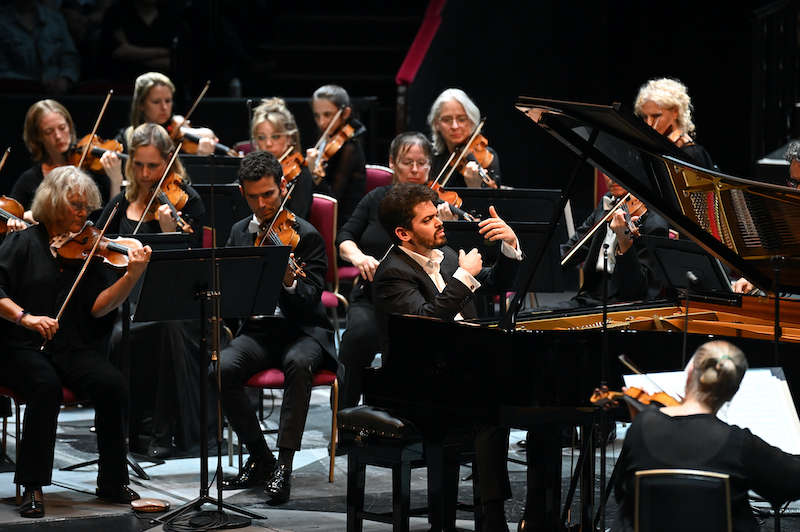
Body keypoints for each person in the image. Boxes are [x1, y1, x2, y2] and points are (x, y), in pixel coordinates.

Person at [0, 166, 151, 517]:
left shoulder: (89, 248)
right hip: (20, 347)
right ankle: (32, 485)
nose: (84, 214)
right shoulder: (22, 242)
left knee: (113, 384)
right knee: (45, 385)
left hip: (71, 347)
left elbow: (99, 308)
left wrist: (131, 276)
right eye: (75, 206)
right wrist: (27, 317)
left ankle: (112, 480)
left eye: (87, 207)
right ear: (53, 203)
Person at [372, 182, 522, 532]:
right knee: (490, 408)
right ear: (403, 233)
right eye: (428, 219)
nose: (440, 221)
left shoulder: (448, 256)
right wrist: (464, 276)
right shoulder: (392, 273)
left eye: (435, 213)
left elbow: (495, 281)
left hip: (457, 372)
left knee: (519, 398)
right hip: (414, 383)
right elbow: (426, 321)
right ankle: (494, 519)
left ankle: (538, 511)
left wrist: (509, 246)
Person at [216, 150, 337, 503]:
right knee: (219, 369)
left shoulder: (307, 235)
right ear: (243, 193)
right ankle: (261, 457)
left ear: (283, 187)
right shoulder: (240, 232)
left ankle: (283, 465)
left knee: (299, 364)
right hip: (258, 332)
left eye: (268, 194)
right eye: (253, 196)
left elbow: (311, 302)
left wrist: (288, 281)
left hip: (302, 332)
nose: (262, 203)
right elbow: (231, 292)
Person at [96, 122, 206, 457]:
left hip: (177, 307)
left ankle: (164, 432)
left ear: (169, 161)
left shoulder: (188, 202)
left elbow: (193, 268)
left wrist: (171, 234)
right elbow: (96, 244)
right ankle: (131, 429)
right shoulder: (121, 201)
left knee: (169, 329)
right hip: (129, 303)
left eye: (153, 166)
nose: (145, 174)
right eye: (139, 165)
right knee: (117, 336)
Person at [613, 340, 800, 532]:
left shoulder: (640, 427)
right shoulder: (738, 443)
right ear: (733, 392)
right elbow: (792, 483)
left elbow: (622, 494)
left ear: (689, 373)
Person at [335, 131, 457, 410]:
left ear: (430, 166)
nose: (414, 170)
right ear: (392, 162)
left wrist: (452, 226)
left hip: (424, 299)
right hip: (373, 296)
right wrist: (358, 256)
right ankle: (346, 416)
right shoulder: (376, 198)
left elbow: (452, 258)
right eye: (406, 162)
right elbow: (344, 236)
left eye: (421, 163)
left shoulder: (437, 208)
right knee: (358, 339)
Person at [558, 174, 669, 308]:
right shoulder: (608, 204)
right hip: (591, 296)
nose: (613, 178)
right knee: (535, 317)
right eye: (607, 171)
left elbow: (636, 291)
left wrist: (624, 242)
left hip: (626, 305)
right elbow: (573, 247)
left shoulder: (652, 223)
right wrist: (541, 263)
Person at [8, 100, 122, 229]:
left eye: (62, 128)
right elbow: (11, 214)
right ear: (37, 136)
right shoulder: (29, 179)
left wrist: (115, 179)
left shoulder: (91, 168)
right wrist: (25, 217)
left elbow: (113, 220)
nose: (58, 136)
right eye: (49, 132)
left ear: (69, 126)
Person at [114, 72, 219, 158]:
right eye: (156, 102)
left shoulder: (178, 131)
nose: (164, 107)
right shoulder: (126, 138)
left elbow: (208, 134)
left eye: (168, 101)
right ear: (141, 105)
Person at [305, 84, 366, 227]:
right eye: (317, 115)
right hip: (325, 216)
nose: (321, 122)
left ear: (345, 113)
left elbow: (332, 201)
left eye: (327, 115)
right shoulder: (327, 138)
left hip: (344, 222)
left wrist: (315, 173)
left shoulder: (350, 149)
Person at [251, 97, 313, 219]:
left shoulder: (301, 173)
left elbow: (298, 217)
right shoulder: (253, 171)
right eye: (262, 138)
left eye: (275, 137)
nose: (268, 144)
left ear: (289, 138)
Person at [0, 0, 80, 94]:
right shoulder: (2, 22)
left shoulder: (55, 19)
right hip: (15, 95)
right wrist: (34, 84)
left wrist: (64, 80)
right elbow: (2, 70)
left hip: (57, 95)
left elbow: (69, 57)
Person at [633, 78, 714, 168]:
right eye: (644, 117)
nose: (648, 123)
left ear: (675, 112)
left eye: (656, 116)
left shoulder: (690, 153)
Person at [428, 88, 500, 189]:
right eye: (446, 120)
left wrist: (475, 187)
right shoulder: (430, 157)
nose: (454, 126)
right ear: (437, 124)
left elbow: (491, 203)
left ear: (472, 121)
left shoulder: (488, 157)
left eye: (461, 119)